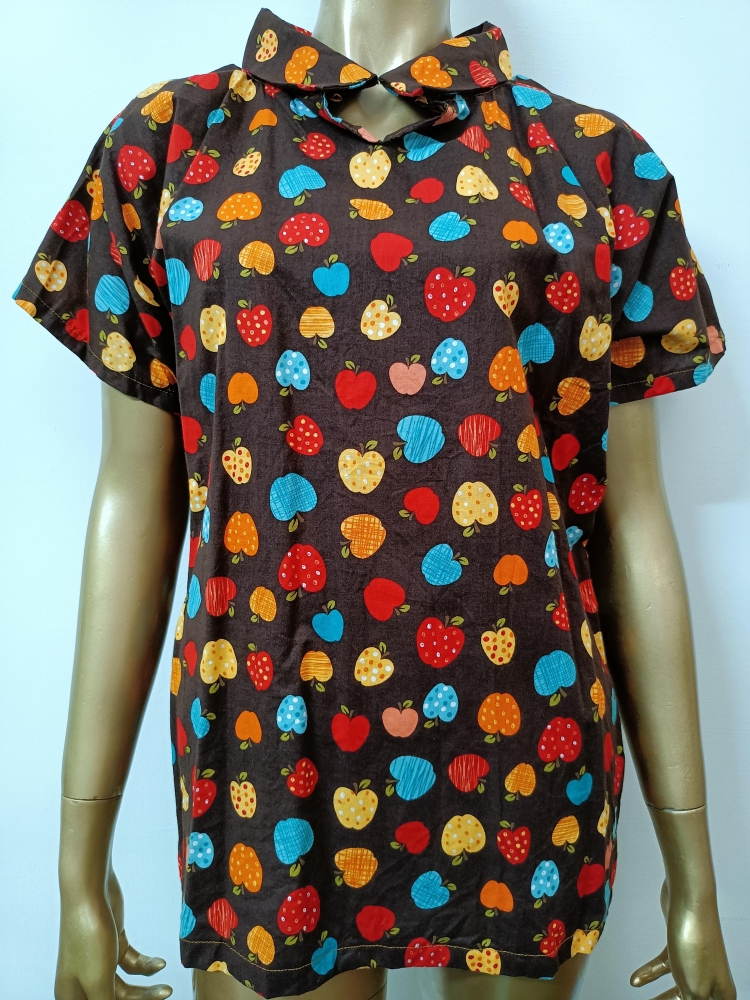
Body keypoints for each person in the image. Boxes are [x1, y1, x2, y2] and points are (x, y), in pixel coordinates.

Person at [13, 2, 736, 999]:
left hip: (521, 737)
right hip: (271, 731)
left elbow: (630, 515)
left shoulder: (591, 162)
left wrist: (694, 872)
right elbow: (135, 499)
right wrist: (77, 861)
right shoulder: (173, 144)